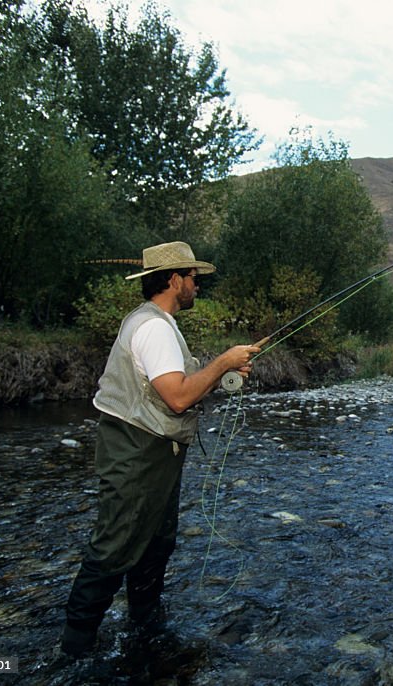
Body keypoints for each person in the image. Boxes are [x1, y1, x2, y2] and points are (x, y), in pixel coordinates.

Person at [60, 241, 260, 658]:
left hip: (152, 450)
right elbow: (177, 398)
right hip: (137, 452)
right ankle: (74, 649)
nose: (196, 287)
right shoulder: (153, 327)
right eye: (192, 279)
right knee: (114, 545)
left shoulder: (157, 323)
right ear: (173, 280)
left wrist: (219, 370)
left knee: (155, 540)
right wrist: (222, 363)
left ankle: (145, 625)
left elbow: (179, 385)